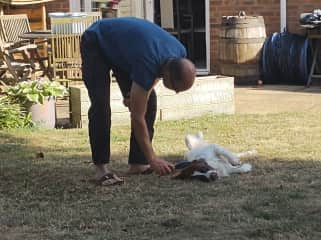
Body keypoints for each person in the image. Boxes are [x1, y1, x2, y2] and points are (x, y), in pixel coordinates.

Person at [80, 17, 196, 185]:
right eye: (176, 88)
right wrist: (154, 159)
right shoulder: (147, 61)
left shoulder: (179, 52)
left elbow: (156, 75)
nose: (176, 92)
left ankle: (138, 163)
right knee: (101, 104)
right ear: (169, 75)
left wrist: (137, 96)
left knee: (149, 101)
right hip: (96, 41)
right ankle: (101, 169)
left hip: (123, 49)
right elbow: (137, 118)